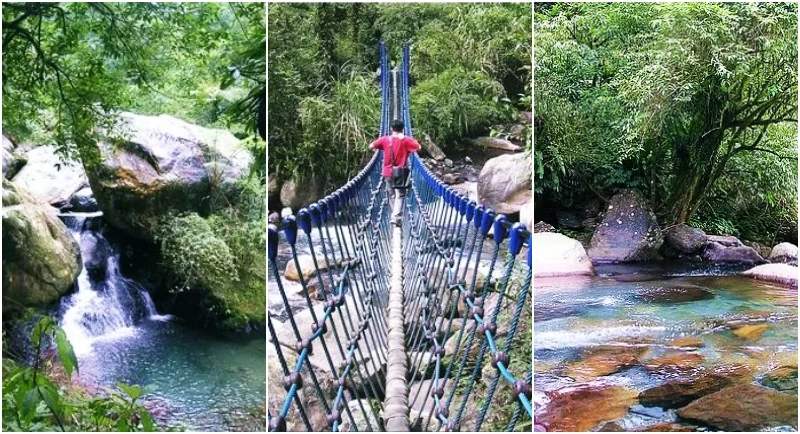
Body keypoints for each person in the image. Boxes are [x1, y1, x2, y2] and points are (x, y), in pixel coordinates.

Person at [369, 119, 420, 226]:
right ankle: (396, 217)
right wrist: (405, 138)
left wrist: (379, 148)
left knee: (392, 195)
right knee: (400, 195)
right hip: (401, 172)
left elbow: (371, 146)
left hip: (387, 172)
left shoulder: (384, 139)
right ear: (403, 129)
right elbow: (418, 147)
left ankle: (395, 216)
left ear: (391, 129)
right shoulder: (405, 140)